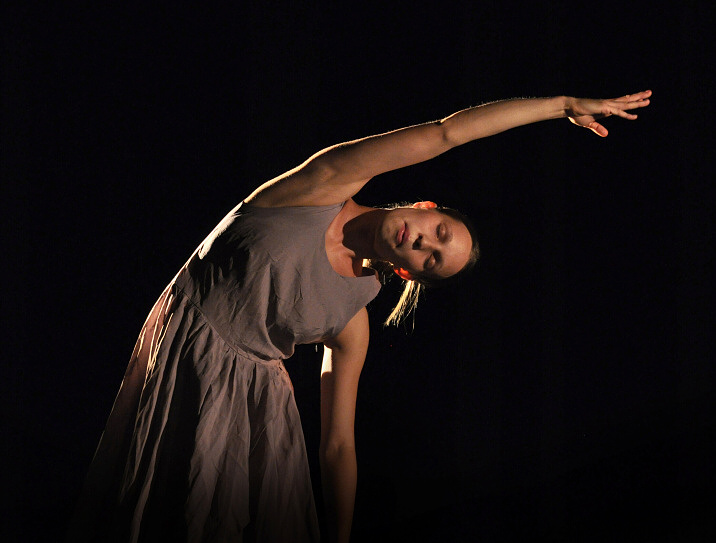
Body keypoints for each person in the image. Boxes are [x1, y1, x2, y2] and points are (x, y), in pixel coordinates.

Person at [69, 90, 651, 543]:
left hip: (253, 411)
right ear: (423, 205)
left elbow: (339, 446)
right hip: (187, 354)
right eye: (437, 231)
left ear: (409, 275)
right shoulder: (323, 184)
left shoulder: (351, 321)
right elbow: (446, 132)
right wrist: (561, 106)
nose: (423, 242)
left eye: (431, 259)